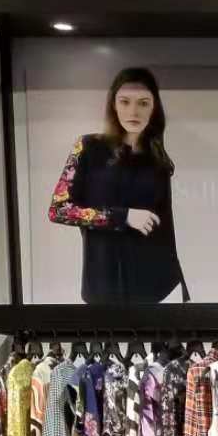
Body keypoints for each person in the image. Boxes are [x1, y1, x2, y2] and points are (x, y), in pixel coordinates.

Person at [48, 66, 186, 303]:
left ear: (154, 108)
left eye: (143, 103)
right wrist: (122, 216)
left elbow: (166, 230)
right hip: (102, 285)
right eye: (125, 102)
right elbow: (59, 210)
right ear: (113, 105)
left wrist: (181, 288)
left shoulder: (157, 161)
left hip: (154, 290)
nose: (134, 111)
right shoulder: (87, 147)